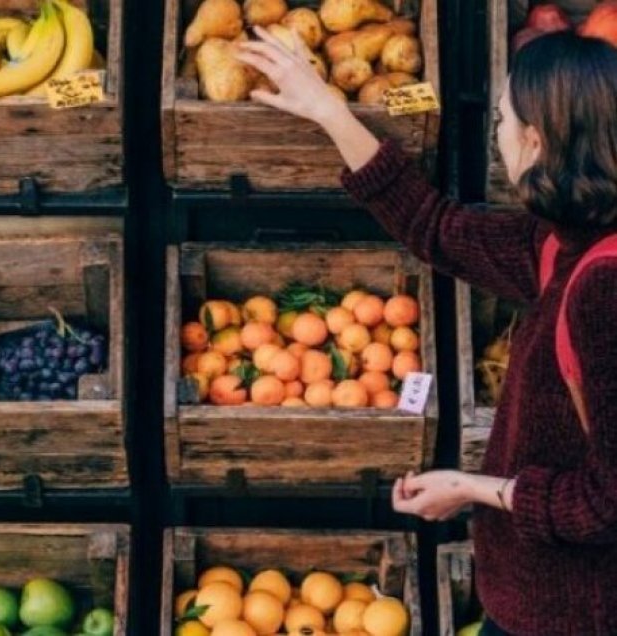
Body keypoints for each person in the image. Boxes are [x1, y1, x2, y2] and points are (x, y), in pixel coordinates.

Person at [236, 28, 617, 636]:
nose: (495, 136)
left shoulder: (602, 288)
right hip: (534, 599)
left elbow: (605, 505)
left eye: (501, 121)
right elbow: (435, 227)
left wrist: (472, 487)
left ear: (537, 141)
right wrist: (330, 110)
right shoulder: (560, 241)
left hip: (571, 616)